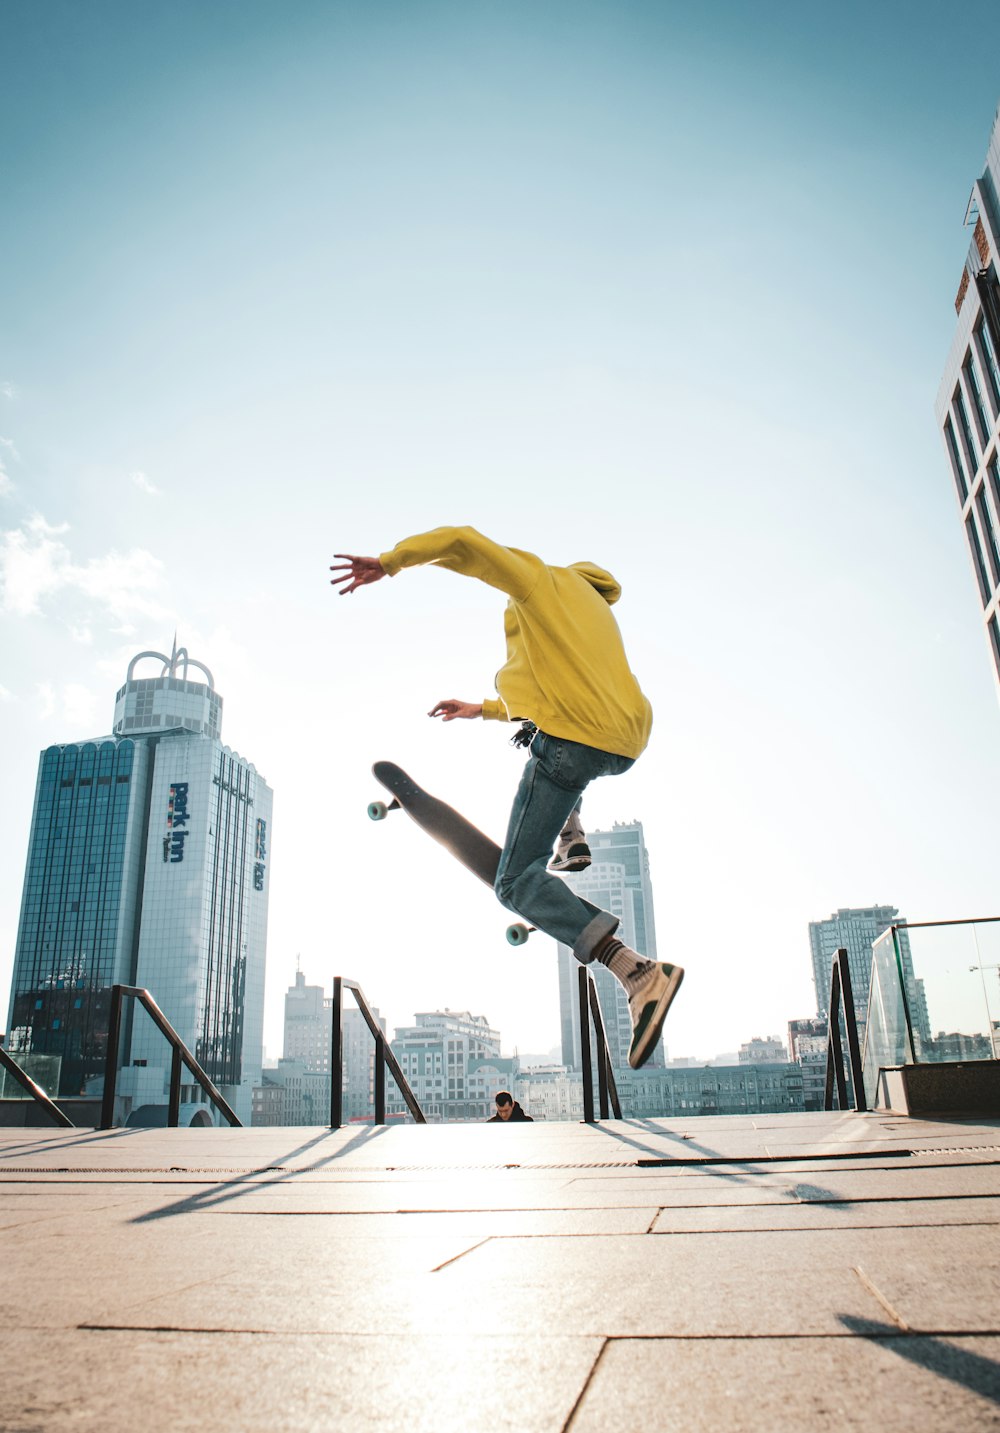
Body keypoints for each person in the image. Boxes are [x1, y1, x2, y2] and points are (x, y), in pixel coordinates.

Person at [330, 525, 683, 1069]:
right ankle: (570, 832)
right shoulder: (595, 612)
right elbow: (548, 690)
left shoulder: (542, 582)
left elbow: (465, 542)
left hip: (572, 741)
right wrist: (482, 708)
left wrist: (391, 561)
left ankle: (634, 970)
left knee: (516, 882)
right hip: (624, 742)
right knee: (561, 761)